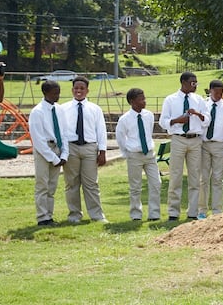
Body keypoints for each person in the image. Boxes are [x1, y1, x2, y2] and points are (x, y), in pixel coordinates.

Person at [159, 72, 210, 221]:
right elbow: (163, 121)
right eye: (193, 83)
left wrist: (198, 114)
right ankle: (173, 212)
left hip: (195, 140)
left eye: (196, 83)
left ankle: (193, 212)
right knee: (175, 175)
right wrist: (177, 120)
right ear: (183, 83)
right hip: (178, 138)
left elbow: (207, 120)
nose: (195, 85)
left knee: (195, 177)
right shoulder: (171, 99)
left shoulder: (199, 100)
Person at [60, 76, 109, 223]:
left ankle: (97, 215)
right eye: (76, 88)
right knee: (72, 183)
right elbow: (61, 130)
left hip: (89, 147)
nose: (79, 91)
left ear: (87, 90)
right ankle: (74, 215)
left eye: (82, 88)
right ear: (72, 90)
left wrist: (102, 151)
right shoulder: (63, 108)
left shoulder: (95, 109)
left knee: (91, 183)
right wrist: (63, 151)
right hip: (71, 147)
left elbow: (101, 130)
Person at [115, 88, 161, 221]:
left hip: (149, 155)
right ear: (132, 101)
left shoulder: (149, 115)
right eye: (141, 99)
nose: (144, 101)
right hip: (134, 155)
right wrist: (127, 152)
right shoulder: (125, 119)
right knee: (135, 186)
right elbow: (120, 137)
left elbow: (148, 132)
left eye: (144, 98)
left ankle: (154, 214)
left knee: (156, 183)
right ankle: (136, 214)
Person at [28, 80, 69, 226]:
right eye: (54, 93)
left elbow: (64, 132)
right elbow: (38, 140)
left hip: (57, 147)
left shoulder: (59, 109)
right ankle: (42, 217)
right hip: (44, 150)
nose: (57, 95)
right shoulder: (37, 112)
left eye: (58, 92)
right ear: (46, 93)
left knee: (52, 185)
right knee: (42, 184)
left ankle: (49, 215)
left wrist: (64, 154)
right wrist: (53, 158)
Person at [198, 80, 223, 218]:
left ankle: (217, 211)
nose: (219, 95)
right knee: (203, 179)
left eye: (221, 92)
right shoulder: (203, 105)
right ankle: (202, 210)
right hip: (204, 144)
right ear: (210, 91)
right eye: (216, 92)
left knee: (217, 178)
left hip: (219, 145)